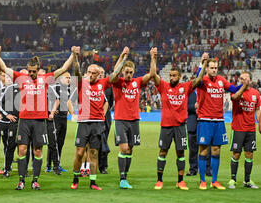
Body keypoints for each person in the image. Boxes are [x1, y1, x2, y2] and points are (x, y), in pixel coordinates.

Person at [0, 45, 76, 190]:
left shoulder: (45, 79)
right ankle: (21, 181)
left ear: (38, 70)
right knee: (22, 150)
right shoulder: (20, 78)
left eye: (34, 71)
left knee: (37, 151)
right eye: (30, 71)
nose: (31, 74)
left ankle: (35, 180)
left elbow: (63, 69)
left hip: (39, 121)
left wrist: (72, 55)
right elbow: (4, 68)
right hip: (24, 121)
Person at [70, 47, 127, 190]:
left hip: (97, 123)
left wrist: (123, 58)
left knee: (94, 153)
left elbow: (115, 73)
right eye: (88, 72)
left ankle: (93, 182)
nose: (90, 75)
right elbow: (76, 70)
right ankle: (75, 178)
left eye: (93, 73)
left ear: (97, 75)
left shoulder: (103, 84)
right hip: (83, 123)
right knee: (79, 152)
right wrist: (75, 56)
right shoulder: (82, 82)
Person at [151, 50, 207, 190]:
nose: (171, 77)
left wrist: (204, 63)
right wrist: (153, 57)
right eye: (170, 75)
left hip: (181, 126)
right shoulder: (164, 86)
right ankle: (159, 180)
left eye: (174, 75)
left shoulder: (185, 87)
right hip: (166, 126)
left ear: (179, 76)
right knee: (163, 152)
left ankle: (180, 181)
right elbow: (153, 75)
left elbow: (199, 79)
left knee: (180, 153)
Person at [195, 53, 244, 190]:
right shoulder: (202, 80)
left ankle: (214, 181)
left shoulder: (221, 80)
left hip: (218, 120)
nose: (214, 70)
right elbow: (197, 80)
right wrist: (201, 63)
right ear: (207, 69)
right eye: (211, 68)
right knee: (203, 150)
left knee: (216, 150)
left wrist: (244, 85)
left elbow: (233, 89)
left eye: (215, 68)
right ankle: (202, 180)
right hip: (205, 120)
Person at [110, 47, 155, 189]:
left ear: (133, 72)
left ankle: (125, 176)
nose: (128, 75)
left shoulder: (137, 82)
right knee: (123, 148)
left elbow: (152, 74)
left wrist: (153, 57)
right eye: (126, 72)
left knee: (130, 150)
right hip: (120, 120)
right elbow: (113, 73)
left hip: (134, 120)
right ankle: (122, 178)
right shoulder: (118, 82)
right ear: (123, 72)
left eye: (130, 72)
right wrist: (123, 56)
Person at [228, 71, 260, 189]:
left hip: (251, 129)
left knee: (249, 154)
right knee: (236, 154)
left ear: (251, 80)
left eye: (246, 79)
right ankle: (233, 179)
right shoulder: (236, 91)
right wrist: (243, 87)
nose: (243, 80)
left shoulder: (256, 93)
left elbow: (257, 109)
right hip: (238, 128)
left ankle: (247, 180)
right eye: (241, 79)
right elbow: (235, 97)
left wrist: (260, 122)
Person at [0, 72, 19, 178]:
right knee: (6, 145)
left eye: (10, 77)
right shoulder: (0, 91)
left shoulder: (18, 89)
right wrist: (6, 114)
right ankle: (7, 167)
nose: (8, 79)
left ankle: (9, 169)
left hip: (15, 122)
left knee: (13, 145)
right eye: (6, 77)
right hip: (4, 122)